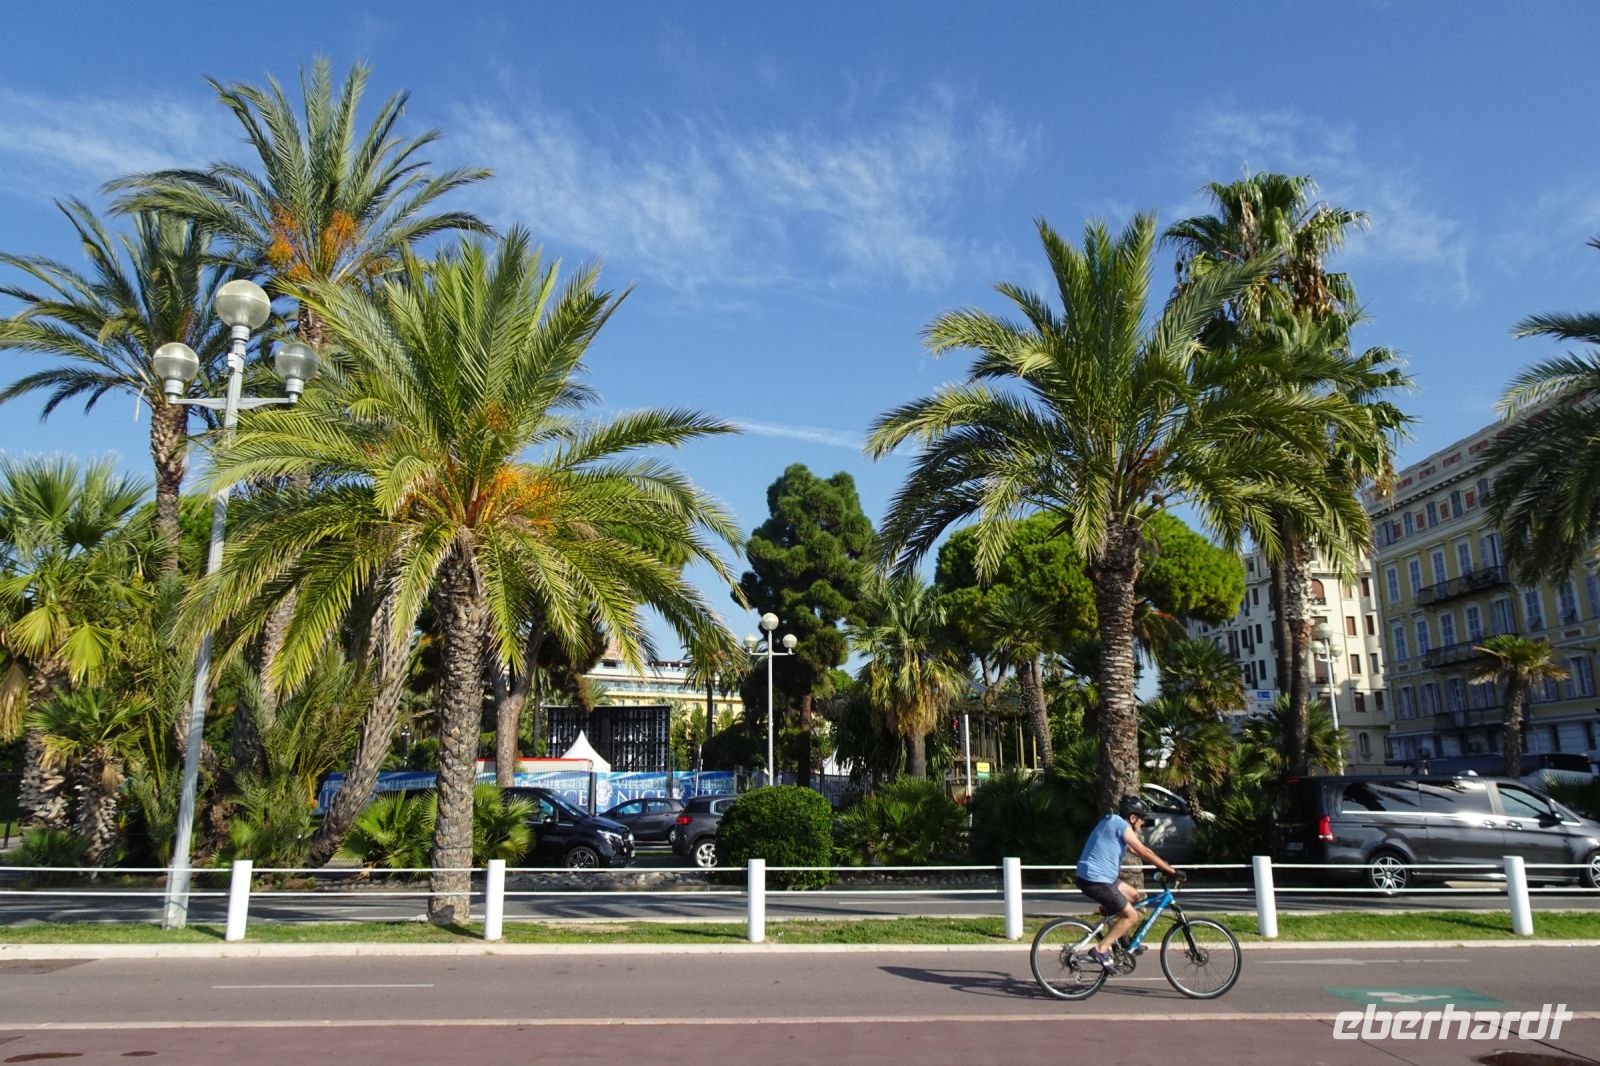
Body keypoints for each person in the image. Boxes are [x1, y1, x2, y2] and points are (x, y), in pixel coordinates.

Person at [1074, 793, 1183, 970]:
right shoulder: (1121, 825)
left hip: (1096, 877)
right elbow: (1143, 852)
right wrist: (1171, 871)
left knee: (1136, 896)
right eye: (1141, 820)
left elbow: (1134, 850)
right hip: (1098, 880)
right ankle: (1101, 950)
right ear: (1132, 817)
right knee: (1131, 915)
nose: (1142, 824)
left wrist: (1162, 864)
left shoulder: (1110, 821)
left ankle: (1123, 939)